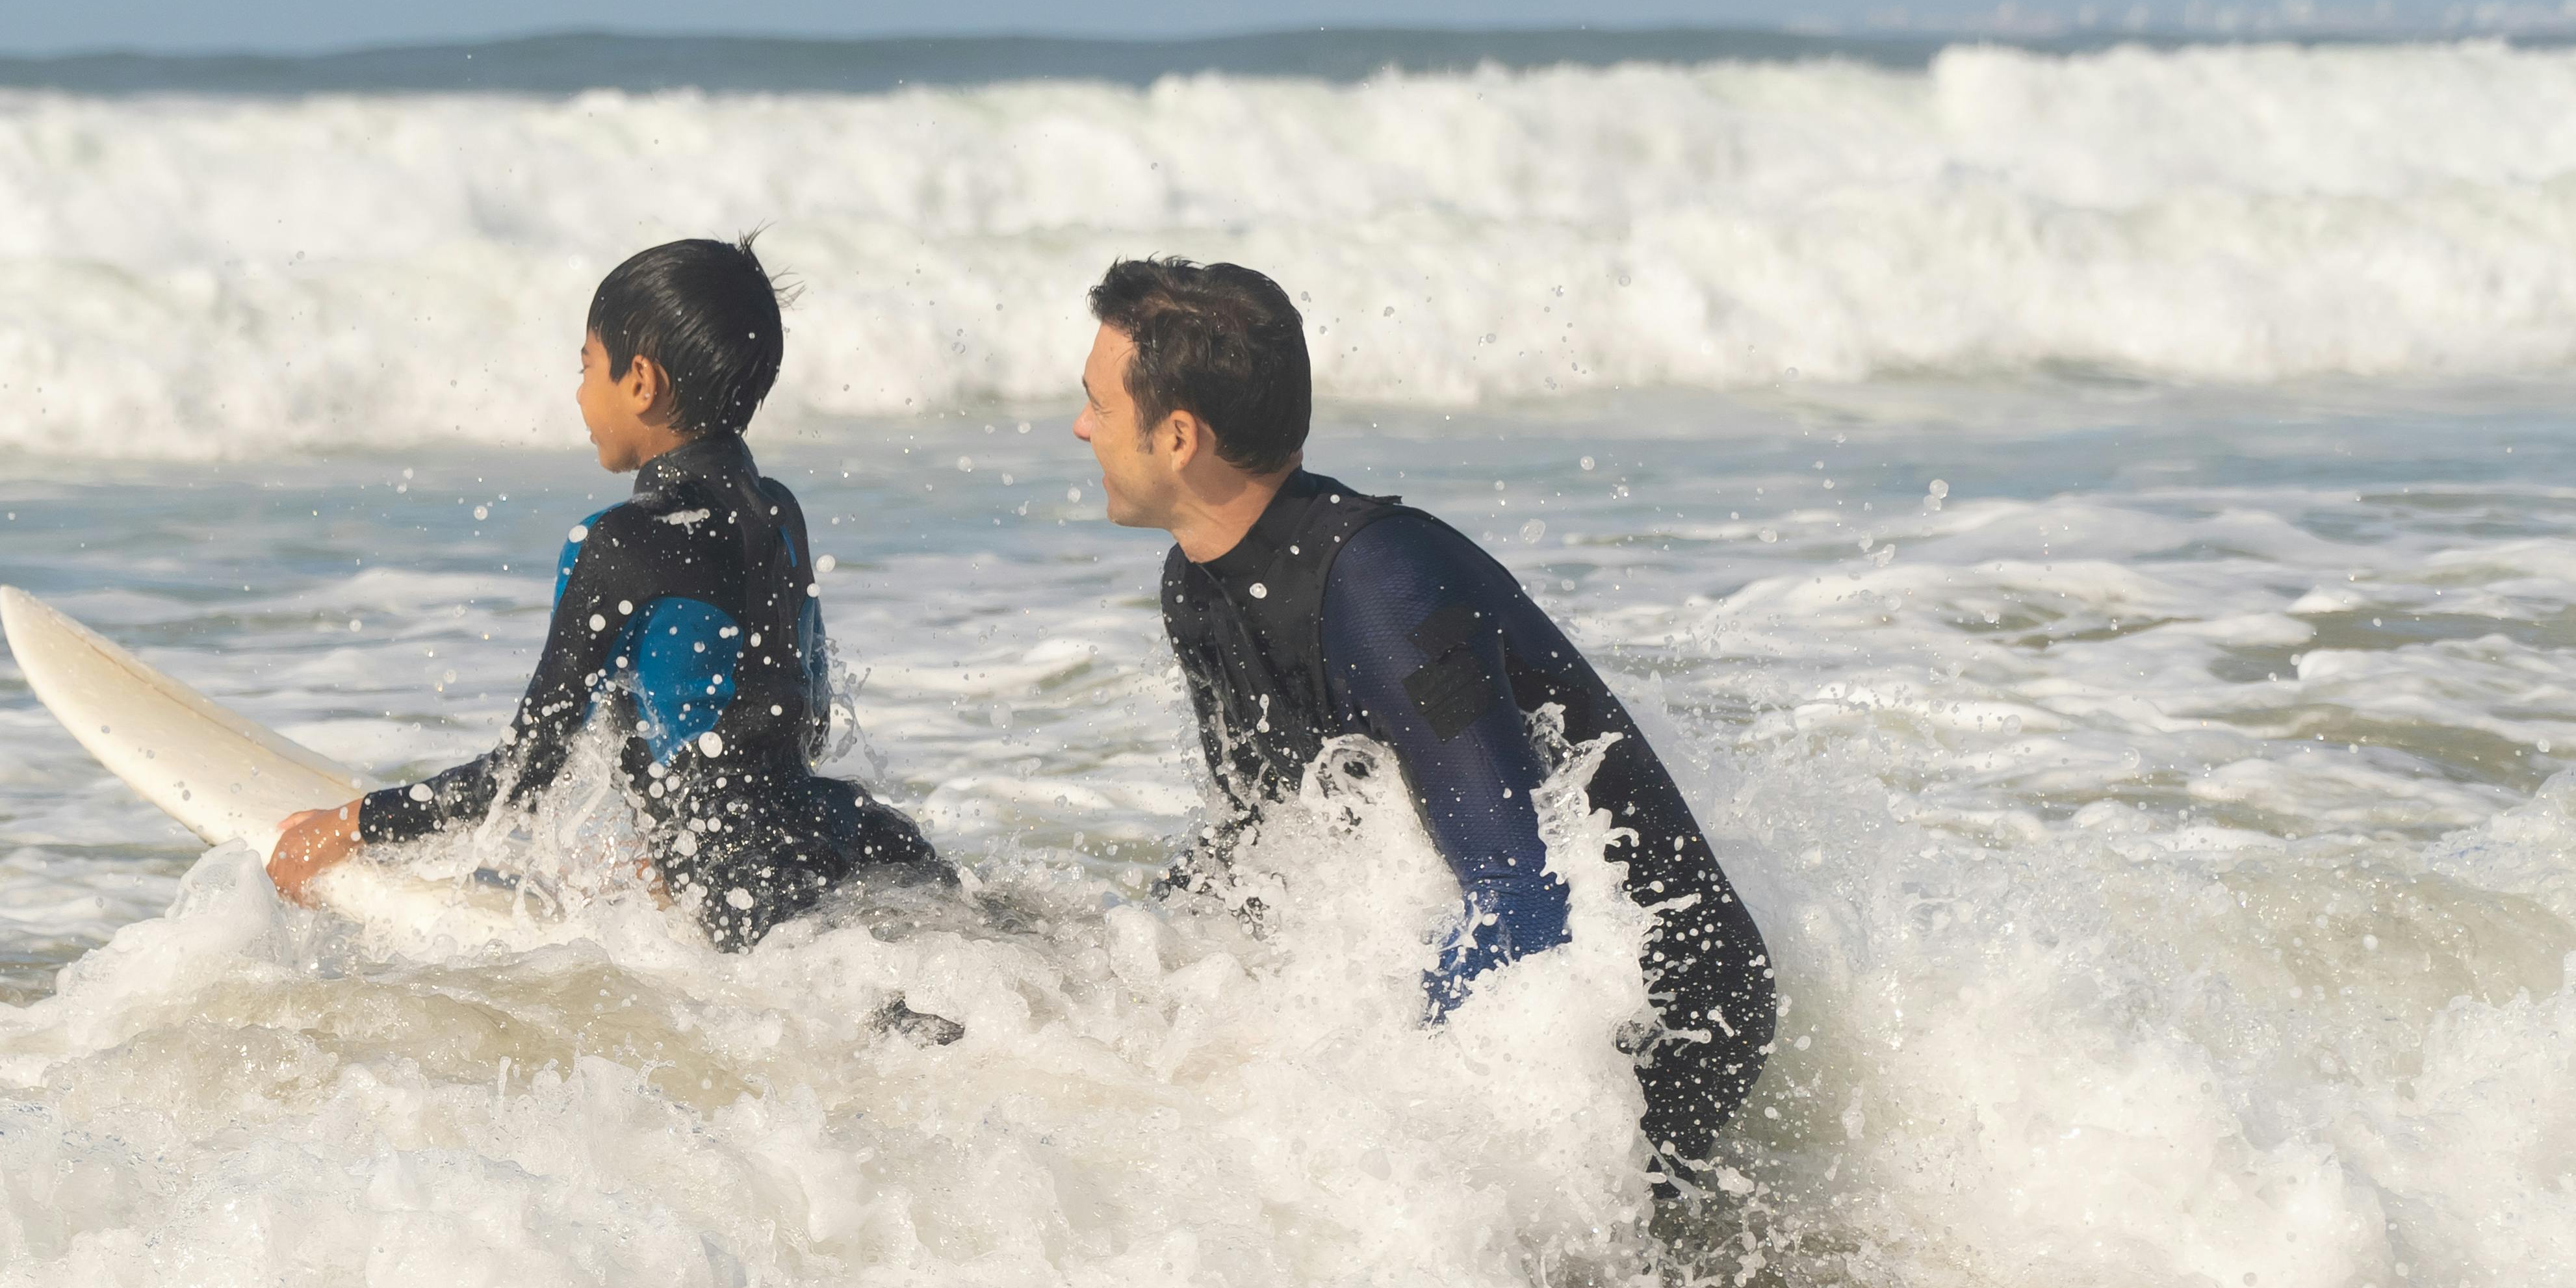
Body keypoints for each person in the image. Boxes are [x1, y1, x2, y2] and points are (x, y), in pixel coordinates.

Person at [1069, 257, 1777, 1178]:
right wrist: (1116, 979)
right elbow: (1267, 849)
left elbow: (1520, 895)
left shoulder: (1381, 584)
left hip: (1665, 1003)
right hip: (1524, 968)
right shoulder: (1198, 584)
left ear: (1176, 437)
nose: (1081, 426)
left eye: (1098, 404)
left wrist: (1384, 1097)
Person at [267, 237, 938, 949]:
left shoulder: (618, 544)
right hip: (851, 836)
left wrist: (349, 825)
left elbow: (520, 775)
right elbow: (803, 729)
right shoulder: (779, 512)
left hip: (746, 902)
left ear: (641, 382)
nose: (580, 393)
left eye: (586, 368)